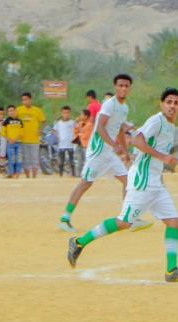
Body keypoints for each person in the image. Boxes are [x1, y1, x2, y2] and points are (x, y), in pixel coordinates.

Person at [68, 88, 178, 283]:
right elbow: (137, 140)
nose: (172, 106)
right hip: (142, 181)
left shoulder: (170, 126)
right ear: (162, 104)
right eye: (169, 102)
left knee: (174, 222)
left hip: (155, 182)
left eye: (176, 103)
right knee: (124, 222)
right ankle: (79, 242)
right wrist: (164, 157)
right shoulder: (157, 121)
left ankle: (172, 270)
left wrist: (161, 176)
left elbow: (153, 154)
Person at [59, 74, 151, 233]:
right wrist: (114, 145)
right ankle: (65, 219)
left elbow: (120, 130)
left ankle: (128, 218)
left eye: (126, 86)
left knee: (128, 181)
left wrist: (125, 152)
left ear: (129, 88)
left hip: (109, 153)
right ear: (115, 87)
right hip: (97, 152)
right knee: (85, 183)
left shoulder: (124, 108)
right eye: (120, 85)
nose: (123, 88)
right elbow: (100, 127)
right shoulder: (109, 105)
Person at [17, 92, 46, 178]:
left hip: (34, 139)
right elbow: (12, 119)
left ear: (30, 99)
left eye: (26, 99)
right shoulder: (18, 110)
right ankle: (27, 177)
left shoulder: (37, 110)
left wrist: (41, 130)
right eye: (22, 100)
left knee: (34, 159)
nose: (24, 101)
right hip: (23, 139)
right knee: (25, 159)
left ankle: (34, 177)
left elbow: (44, 121)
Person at [54, 106, 77, 177]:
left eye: (67, 113)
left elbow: (77, 129)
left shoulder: (72, 122)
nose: (66, 114)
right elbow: (54, 130)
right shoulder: (58, 123)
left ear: (70, 113)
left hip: (70, 144)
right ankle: (61, 174)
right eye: (64, 113)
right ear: (61, 113)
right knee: (61, 160)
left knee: (71, 160)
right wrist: (58, 136)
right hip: (62, 144)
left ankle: (73, 173)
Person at [2, 105, 23, 178]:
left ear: (15, 111)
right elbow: (3, 132)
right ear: (7, 113)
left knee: (19, 159)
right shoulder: (6, 121)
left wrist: (16, 139)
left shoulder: (20, 121)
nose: (11, 112)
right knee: (11, 159)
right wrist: (9, 139)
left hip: (19, 143)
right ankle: (11, 173)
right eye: (9, 111)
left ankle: (17, 173)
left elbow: (22, 133)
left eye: (12, 110)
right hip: (10, 143)